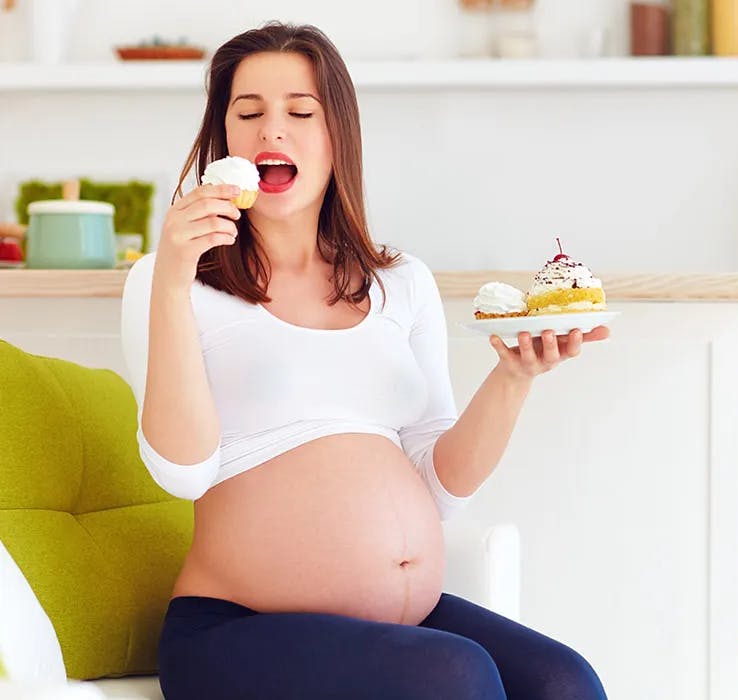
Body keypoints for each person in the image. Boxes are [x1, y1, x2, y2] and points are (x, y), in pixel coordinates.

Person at [119, 21, 610, 700]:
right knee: (454, 676)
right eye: (248, 112)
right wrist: (174, 275)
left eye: (300, 111)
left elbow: (438, 486)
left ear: (336, 136)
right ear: (221, 136)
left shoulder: (400, 281)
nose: (273, 132)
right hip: (233, 632)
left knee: (564, 683)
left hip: (399, 621)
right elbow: (181, 469)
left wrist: (514, 376)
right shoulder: (171, 278)